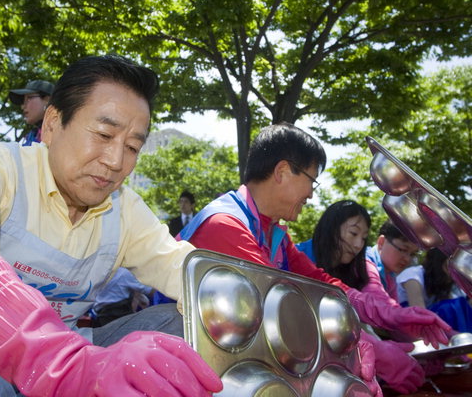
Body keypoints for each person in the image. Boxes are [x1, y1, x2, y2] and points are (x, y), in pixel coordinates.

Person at [0, 55, 222, 397]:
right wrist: (64, 365)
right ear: (53, 124)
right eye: (103, 134)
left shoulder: (126, 209)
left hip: (74, 364)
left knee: (179, 325)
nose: (116, 161)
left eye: (132, 147)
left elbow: (188, 271)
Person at [178, 123, 451, 395]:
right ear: (283, 171)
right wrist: (371, 351)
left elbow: (324, 286)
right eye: (311, 179)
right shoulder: (225, 224)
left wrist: (395, 316)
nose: (311, 194)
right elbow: (284, 316)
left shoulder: (273, 233)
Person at [296, 200, 427, 394]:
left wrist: (403, 321)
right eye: (353, 233)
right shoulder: (299, 257)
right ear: (331, 227)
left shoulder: (358, 270)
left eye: (363, 238)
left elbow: (374, 301)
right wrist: (378, 349)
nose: (358, 244)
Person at [398, 248, 472, 333]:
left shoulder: (447, 283)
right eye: (449, 267)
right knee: (449, 307)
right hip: (410, 327)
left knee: (461, 304)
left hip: (439, 328)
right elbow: (420, 315)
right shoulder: (413, 276)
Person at [366, 220, 419, 301]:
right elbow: (380, 306)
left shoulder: (390, 276)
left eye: (412, 254)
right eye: (403, 250)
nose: (407, 259)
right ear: (382, 242)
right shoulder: (365, 264)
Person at [9, 79, 54, 145]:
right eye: (23, 101)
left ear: (47, 99)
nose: (23, 107)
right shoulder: (32, 136)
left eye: (29, 98)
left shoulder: (62, 133)